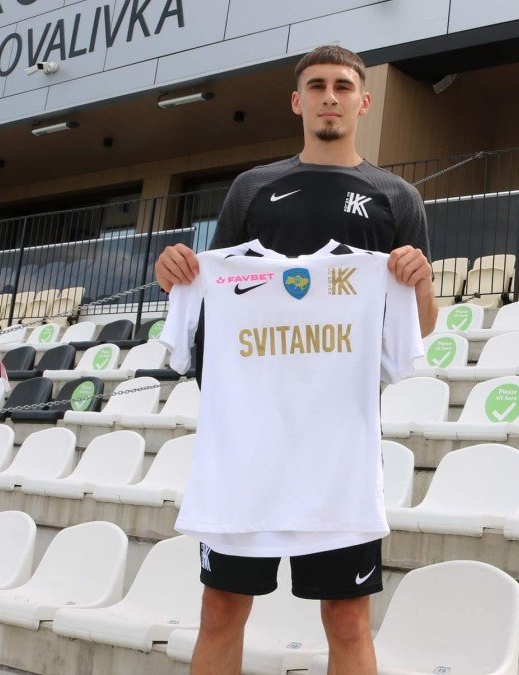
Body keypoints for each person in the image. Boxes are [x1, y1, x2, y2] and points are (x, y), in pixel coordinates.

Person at [153, 45, 437, 675]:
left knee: (348, 618)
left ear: (364, 101)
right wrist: (175, 273)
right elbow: (214, 292)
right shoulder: (252, 189)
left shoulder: (397, 198)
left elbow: (417, 331)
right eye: (317, 85)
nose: (330, 97)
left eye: (343, 86)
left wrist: (419, 284)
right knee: (220, 611)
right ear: (297, 101)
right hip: (248, 448)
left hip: (340, 450)